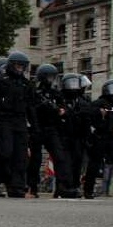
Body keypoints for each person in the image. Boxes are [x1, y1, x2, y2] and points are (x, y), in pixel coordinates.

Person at [0, 51, 36, 198]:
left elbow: (31, 107)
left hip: (20, 122)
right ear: (10, 65)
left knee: (21, 157)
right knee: (4, 153)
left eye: (22, 66)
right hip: (3, 122)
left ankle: (17, 187)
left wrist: (35, 126)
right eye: (17, 65)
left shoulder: (26, 84)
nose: (20, 68)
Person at [29, 64, 79, 198]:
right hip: (38, 128)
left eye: (53, 77)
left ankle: (62, 187)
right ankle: (31, 187)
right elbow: (31, 109)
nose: (51, 80)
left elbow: (65, 109)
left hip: (52, 128)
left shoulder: (56, 93)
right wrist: (42, 107)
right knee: (35, 159)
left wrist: (62, 111)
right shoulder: (34, 93)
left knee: (60, 157)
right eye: (49, 77)